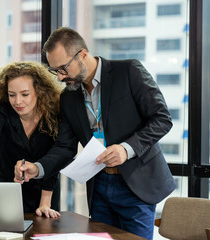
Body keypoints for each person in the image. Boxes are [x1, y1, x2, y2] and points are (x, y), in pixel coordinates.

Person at [14, 27, 175, 239]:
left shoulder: (128, 71)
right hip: (99, 186)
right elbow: (65, 146)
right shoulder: (69, 98)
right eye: (55, 71)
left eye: (63, 68)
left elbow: (162, 118)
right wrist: (39, 168)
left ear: (82, 54)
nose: (61, 77)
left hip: (136, 184)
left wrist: (127, 149)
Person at [0, 61, 63, 218]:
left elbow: (54, 160)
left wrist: (45, 203)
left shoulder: (53, 116)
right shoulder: (2, 113)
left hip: (45, 193)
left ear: (39, 92)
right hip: (7, 190)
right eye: (12, 95)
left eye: (25, 94)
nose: (18, 101)